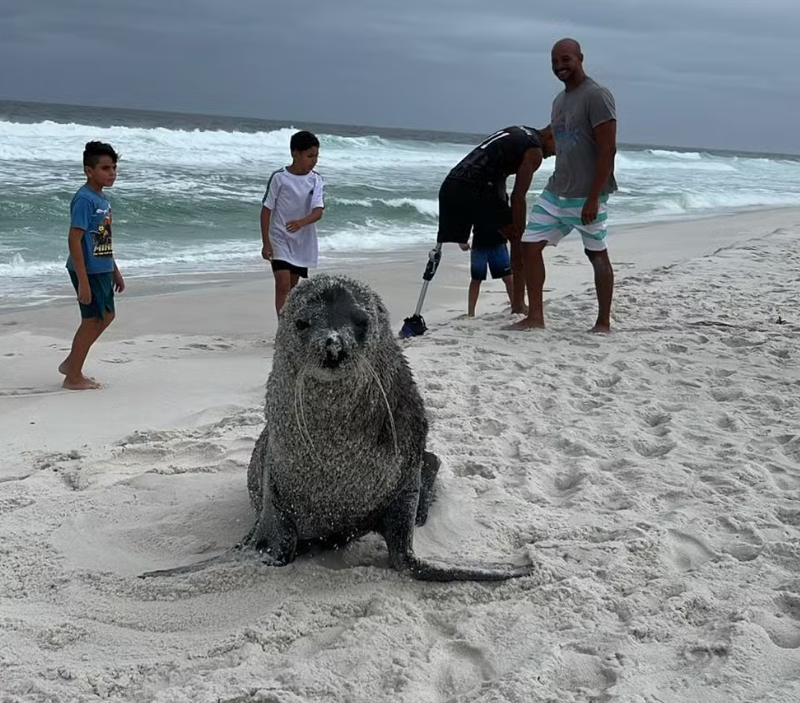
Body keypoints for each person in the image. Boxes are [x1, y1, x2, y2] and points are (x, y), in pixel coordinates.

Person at [511, 38, 618, 333]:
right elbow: (557, 139)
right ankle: (535, 317)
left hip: (587, 194)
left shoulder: (597, 96)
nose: (560, 66)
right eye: (555, 62)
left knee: (596, 254)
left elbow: (608, 149)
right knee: (529, 246)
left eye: (566, 59)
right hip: (557, 190)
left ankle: (603, 322)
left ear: (580, 58)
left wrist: (594, 198)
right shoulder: (559, 101)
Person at [436, 125, 555, 314]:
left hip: (452, 184)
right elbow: (518, 196)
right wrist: (519, 229)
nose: (555, 154)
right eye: (559, 147)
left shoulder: (519, 130)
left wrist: (501, 208)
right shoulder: (535, 151)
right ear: (551, 134)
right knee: (519, 241)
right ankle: (518, 305)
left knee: (445, 242)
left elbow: (496, 166)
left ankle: (515, 303)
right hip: (477, 188)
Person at [59, 141, 124, 391]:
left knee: (106, 315)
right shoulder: (84, 199)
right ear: (89, 170)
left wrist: (115, 270)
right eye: (105, 168)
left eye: (114, 168)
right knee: (93, 319)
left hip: (102, 268)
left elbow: (102, 237)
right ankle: (73, 375)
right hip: (87, 270)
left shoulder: (102, 198)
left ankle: (71, 363)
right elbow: (74, 238)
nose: (112, 173)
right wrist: (83, 282)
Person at [260, 130, 325, 315]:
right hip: (279, 238)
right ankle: (282, 329)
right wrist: (266, 242)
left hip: (302, 242)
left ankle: (290, 327)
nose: (314, 160)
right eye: (310, 156)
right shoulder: (279, 177)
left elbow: (318, 211)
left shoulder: (316, 180)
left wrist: (301, 223)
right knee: (282, 284)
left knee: (293, 289)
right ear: (295, 154)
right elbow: (266, 210)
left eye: (316, 156)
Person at [459, 230, 514, 317]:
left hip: (499, 242)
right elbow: (465, 220)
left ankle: (515, 306)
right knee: (476, 279)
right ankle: (471, 313)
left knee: (508, 277)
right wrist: (462, 240)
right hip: (479, 243)